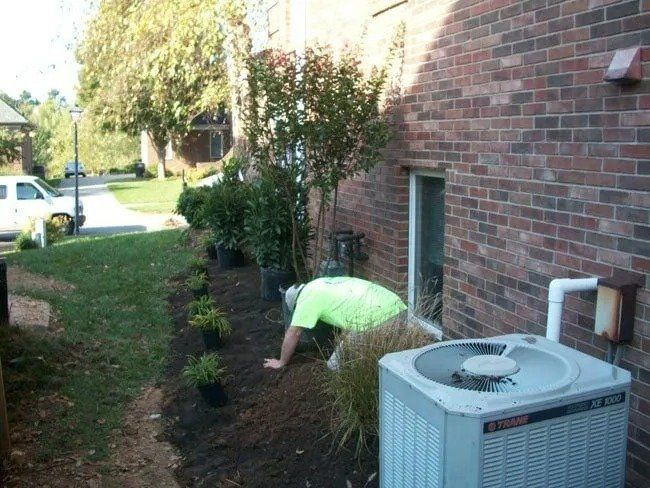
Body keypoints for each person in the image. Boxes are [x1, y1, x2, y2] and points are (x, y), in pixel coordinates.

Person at [263, 276, 407, 370]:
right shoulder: (319, 283)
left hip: (378, 320)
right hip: (399, 308)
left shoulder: (305, 300)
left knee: (334, 366)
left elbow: (293, 333)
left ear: (296, 303)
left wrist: (281, 362)